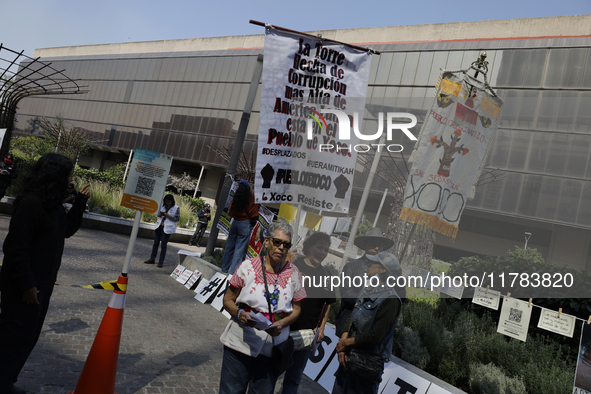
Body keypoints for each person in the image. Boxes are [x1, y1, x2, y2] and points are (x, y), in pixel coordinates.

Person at [0, 153, 90, 394]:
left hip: (43, 285)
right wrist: (27, 284)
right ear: (55, 176)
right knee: (14, 338)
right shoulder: (31, 203)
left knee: (27, 338)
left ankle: (7, 381)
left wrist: (79, 202)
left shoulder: (52, 204)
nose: (71, 179)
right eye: (69, 174)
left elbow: (66, 230)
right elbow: (15, 248)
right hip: (24, 287)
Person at [219, 221, 306, 394]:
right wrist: (239, 313)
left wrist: (283, 324)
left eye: (286, 244)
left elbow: (297, 309)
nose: (281, 247)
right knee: (231, 391)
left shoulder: (294, 272)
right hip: (240, 343)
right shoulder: (248, 266)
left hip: (273, 348)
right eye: (277, 242)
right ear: (266, 242)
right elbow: (228, 300)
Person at [332, 252, 402, 394]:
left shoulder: (391, 300)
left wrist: (345, 343)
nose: (368, 264)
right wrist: (343, 345)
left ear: (382, 270)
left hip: (365, 365)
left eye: (373, 263)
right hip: (347, 358)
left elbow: (376, 336)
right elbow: (352, 317)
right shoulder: (367, 290)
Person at [281, 232, 336, 394]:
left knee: (294, 376)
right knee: (270, 370)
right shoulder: (294, 265)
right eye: (319, 247)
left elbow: (328, 305)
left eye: (326, 250)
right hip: (283, 328)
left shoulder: (327, 275)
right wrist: (288, 262)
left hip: (306, 334)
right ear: (308, 247)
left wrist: (322, 327)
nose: (322, 253)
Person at [334, 227, 395, 337]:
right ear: (365, 245)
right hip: (348, 323)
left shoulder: (385, 273)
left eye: (380, 246)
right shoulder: (351, 267)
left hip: (368, 329)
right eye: (373, 244)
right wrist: (370, 303)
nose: (377, 248)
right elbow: (346, 295)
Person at [221, 180, 259, 274]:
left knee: (229, 247)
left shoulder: (235, 199)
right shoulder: (252, 197)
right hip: (245, 224)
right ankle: (232, 273)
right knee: (239, 250)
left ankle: (224, 269)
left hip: (235, 223)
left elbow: (231, 210)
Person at [144, 194, 180, 268]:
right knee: (155, 243)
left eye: (168, 202)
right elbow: (158, 214)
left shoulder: (176, 208)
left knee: (163, 245)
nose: (167, 203)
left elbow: (177, 218)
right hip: (159, 226)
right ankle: (152, 258)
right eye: (166, 201)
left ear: (172, 201)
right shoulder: (162, 205)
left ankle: (161, 261)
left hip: (167, 228)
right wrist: (160, 214)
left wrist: (169, 216)